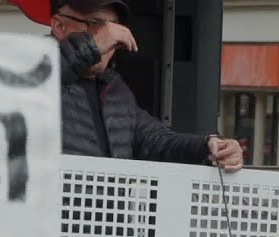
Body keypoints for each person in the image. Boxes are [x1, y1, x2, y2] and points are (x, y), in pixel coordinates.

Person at [35, 0, 244, 169]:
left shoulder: (115, 91)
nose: (109, 36)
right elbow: (34, 84)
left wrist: (209, 146)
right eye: (95, 24)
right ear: (59, 26)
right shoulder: (33, 73)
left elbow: (157, 141)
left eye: (113, 27)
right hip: (49, 216)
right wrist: (92, 47)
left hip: (107, 219)